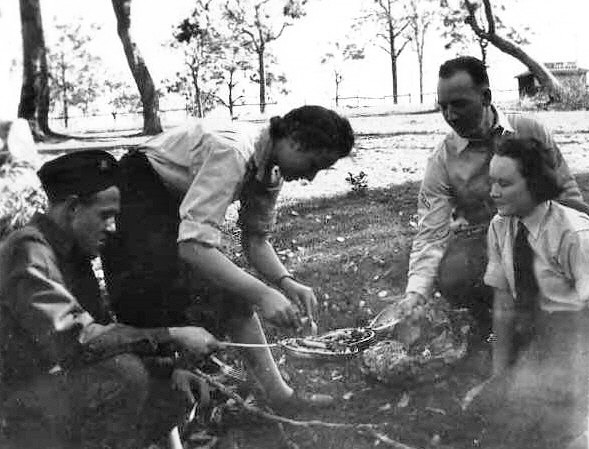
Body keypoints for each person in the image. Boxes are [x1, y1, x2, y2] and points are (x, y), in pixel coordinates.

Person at [101, 105, 355, 410]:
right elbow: (193, 247)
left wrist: (286, 283)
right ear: (295, 141)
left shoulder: (272, 168)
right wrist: (263, 293)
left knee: (230, 293)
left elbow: (256, 239)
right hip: (136, 187)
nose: (311, 177)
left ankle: (279, 396)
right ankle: (159, 415)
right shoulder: (234, 152)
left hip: (173, 201)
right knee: (153, 303)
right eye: (314, 164)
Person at [0, 150, 219, 449]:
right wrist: (173, 334)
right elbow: (77, 341)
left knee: (171, 388)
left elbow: (104, 332)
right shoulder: (28, 250)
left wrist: (168, 369)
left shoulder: (72, 253)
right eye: (105, 215)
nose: (114, 227)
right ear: (73, 208)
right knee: (125, 374)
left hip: (46, 393)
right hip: (14, 408)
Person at [373, 56, 589, 342]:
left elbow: (567, 194)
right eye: (443, 107)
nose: (450, 115)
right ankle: (494, 331)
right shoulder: (442, 160)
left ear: (485, 96)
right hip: (488, 244)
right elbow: (430, 234)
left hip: (547, 233)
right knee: (454, 274)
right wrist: (416, 292)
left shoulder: (531, 131)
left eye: (459, 104)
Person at [465, 137, 589, 448]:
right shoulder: (500, 226)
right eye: (491, 181)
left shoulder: (573, 234)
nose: (493, 192)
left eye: (504, 183)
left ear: (534, 184)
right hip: (535, 335)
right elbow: (504, 306)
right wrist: (499, 376)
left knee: (567, 436)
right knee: (493, 414)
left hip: (576, 336)